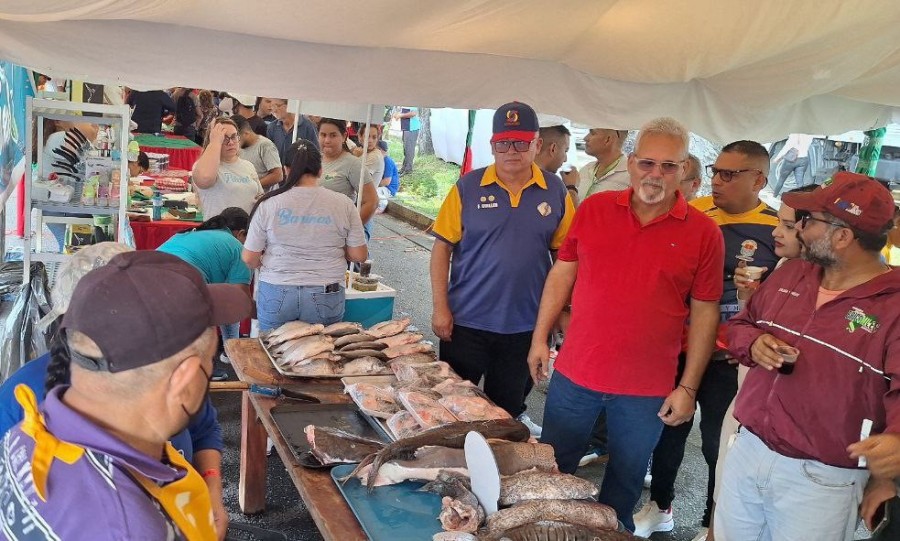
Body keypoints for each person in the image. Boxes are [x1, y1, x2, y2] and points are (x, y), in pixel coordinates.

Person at [529, 117, 724, 533]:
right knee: (550, 473)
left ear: (684, 169)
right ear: (632, 162)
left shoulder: (704, 233)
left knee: (623, 486)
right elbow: (563, 272)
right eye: (647, 163)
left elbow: (706, 313)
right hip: (576, 374)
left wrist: (688, 388)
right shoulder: (595, 208)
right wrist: (539, 338)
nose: (656, 174)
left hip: (646, 389)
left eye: (668, 166)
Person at [0, 250, 251, 540]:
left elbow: (205, 428)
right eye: (210, 361)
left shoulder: (32, 427)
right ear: (185, 379)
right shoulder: (129, 528)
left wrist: (210, 487)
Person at [716, 172, 900, 540]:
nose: (799, 229)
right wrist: (752, 341)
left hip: (822, 479)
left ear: (842, 237)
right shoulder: (792, 274)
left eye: (809, 220)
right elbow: (740, 325)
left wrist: (893, 449)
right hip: (749, 448)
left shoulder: (892, 306)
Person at [635, 140, 780, 541]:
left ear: (759, 180)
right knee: (666, 431)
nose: (718, 181)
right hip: (679, 346)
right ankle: (659, 506)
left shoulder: (776, 229)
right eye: (716, 172)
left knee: (719, 445)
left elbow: (786, 299)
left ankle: (711, 524)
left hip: (730, 356)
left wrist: (752, 339)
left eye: (730, 174)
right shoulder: (693, 213)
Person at [431, 101, 575, 437]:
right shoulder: (468, 186)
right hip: (466, 322)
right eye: (503, 143)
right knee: (451, 408)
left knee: (504, 415)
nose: (512, 151)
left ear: (537, 144)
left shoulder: (555, 191)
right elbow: (441, 249)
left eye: (521, 143)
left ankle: (493, 466)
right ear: (493, 145)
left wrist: (561, 311)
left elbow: (566, 259)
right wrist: (441, 307)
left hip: (524, 327)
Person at [243, 140, 368, 331]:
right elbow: (359, 255)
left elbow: (249, 258)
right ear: (320, 170)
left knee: (272, 348)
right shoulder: (343, 204)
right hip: (326, 291)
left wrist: (270, 263)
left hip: (276, 288)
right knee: (320, 348)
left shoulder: (269, 204)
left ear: (286, 170)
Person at [158, 207, 253, 377]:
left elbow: (229, 300)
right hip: (181, 285)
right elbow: (240, 301)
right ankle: (201, 367)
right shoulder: (238, 248)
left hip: (143, 278)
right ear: (241, 233)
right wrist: (269, 314)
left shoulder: (192, 233)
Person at [192, 117, 263, 218]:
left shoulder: (248, 165)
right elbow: (205, 178)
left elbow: (259, 195)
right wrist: (215, 142)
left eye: (234, 137)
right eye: (224, 138)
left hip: (247, 226)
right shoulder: (203, 165)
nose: (231, 142)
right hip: (219, 226)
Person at [318, 118, 378, 225]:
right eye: (323, 135)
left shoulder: (352, 164)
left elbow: (372, 201)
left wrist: (351, 228)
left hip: (337, 229)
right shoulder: (314, 160)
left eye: (333, 135)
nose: (327, 140)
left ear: (344, 136)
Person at [564, 127, 630, 206]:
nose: (585, 138)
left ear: (608, 139)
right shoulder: (586, 169)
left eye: (592, 133)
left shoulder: (631, 176)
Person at [232, 115, 283, 189]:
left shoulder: (265, 146)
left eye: (235, 138)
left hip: (261, 194)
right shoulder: (236, 147)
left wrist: (251, 186)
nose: (233, 142)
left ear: (246, 133)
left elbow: (278, 176)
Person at [396, 106, 420, 174]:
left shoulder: (412, 102)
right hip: (407, 128)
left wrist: (400, 115)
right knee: (406, 149)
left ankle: (408, 170)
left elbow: (413, 113)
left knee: (409, 150)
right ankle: (404, 168)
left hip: (411, 128)